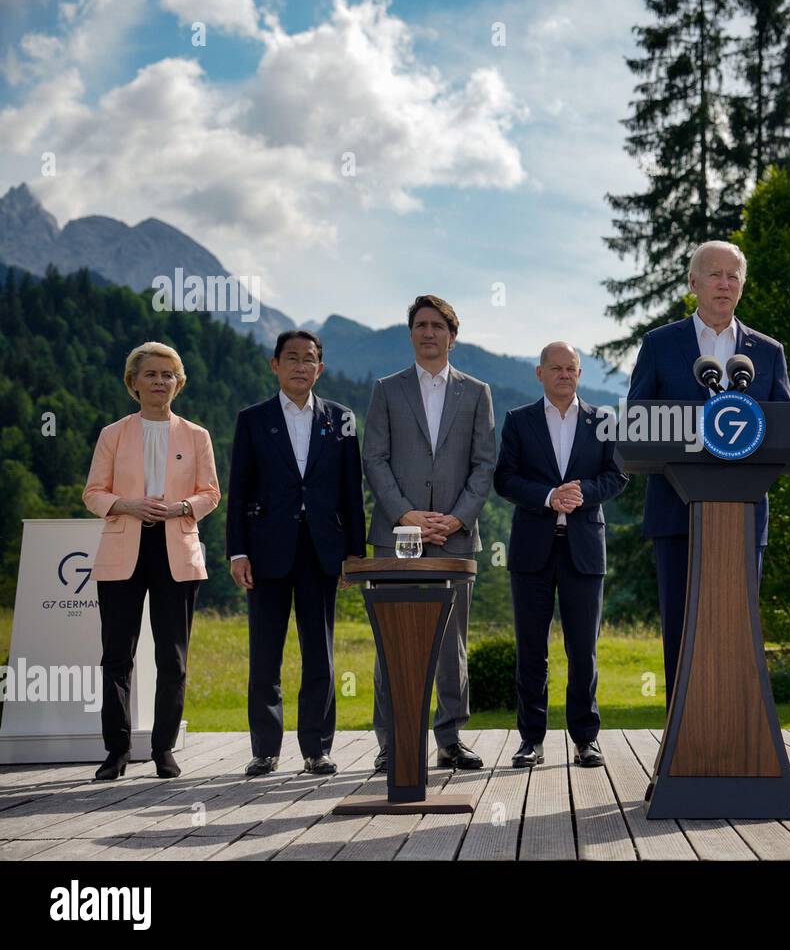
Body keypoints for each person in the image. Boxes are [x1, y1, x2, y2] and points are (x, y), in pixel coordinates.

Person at [627, 241, 790, 709]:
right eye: (714, 274)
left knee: (737, 629)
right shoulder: (660, 345)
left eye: (733, 275)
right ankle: (681, 740)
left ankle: (738, 732)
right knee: (681, 629)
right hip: (676, 515)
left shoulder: (768, 352)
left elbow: (786, 429)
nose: (724, 283)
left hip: (743, 516)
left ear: (742, 284)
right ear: (693, 283)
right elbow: (639, 423)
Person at [363, 294, 496, 771]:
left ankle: (449, 738)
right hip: (397, 535)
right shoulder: (387, 389)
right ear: (411, 333)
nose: (428, 332)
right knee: (392, 640)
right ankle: (392, 742)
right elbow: (373, 458)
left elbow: (484, 464)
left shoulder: (477, 392)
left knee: (450, 642)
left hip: (455, 539)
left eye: (437, 325)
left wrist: (457, 518)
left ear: (452, 335)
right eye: (420, 325)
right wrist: (406, 514)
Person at [227, 330, 366, 777]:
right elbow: (238, 491)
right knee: (265, 651)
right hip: (266, 550)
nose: (300, 366)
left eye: (309, 359)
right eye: (291, 358)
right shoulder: (253, 419)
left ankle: (317, 749)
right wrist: (237, 552)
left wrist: (355, 555)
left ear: (320, 368)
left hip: (323, 550)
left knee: (319, 653)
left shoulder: (341, 419)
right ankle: (265, 749)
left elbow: (352, 493)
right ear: (275, 365)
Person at [82, 342, 221, 780]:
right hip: (123, 553)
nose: (161, 382)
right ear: (133, 383)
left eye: (169, 375)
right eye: (152, 375)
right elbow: (93, 494)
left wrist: (181, 507)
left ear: (178, 384)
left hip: (176, 553)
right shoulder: (113, 433)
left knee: (173, 658)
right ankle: (116, 752)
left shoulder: (197, 435)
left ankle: (163, 749)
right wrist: (128, 505)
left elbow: (211, 493)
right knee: (116, 656)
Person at [494, 342, 629, 768]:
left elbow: (618, 475)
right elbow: (505, 479)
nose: (564, 375)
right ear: (539, 373)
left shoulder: (603, 420)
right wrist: (550, 496)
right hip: (532, 550)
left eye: (572, 368)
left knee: (583, 649)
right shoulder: (519, 421)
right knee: (532, 648)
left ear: (579, 373)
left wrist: (581, 493)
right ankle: (530, 740)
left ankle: (586, 739)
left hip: (584, 549)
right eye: (556, 368)